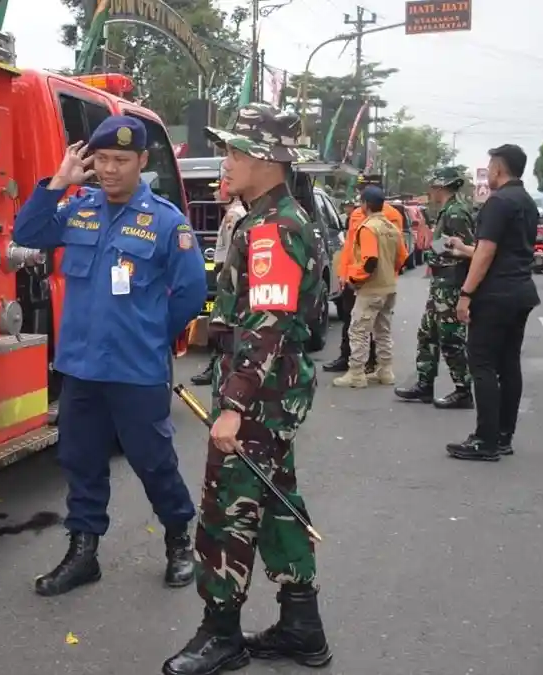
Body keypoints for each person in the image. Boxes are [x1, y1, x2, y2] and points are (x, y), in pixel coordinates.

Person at [164, 104, 331, 675]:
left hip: (257, 395)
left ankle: (221, 634)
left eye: (236, 151)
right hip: (272, 390)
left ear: (267, 158)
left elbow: (268, 325)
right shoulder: (270, 218)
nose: (227, 161)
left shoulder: (273, 229)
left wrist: (232, 405)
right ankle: (301, 626)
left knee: (227, 509)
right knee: (278, 503)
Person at [12, 116, 207, 596]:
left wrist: (149, 336)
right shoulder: (79, 209)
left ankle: (180, 539)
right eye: (101, 160)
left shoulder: (166, 221)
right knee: (81, 461)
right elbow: (28, 232)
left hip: (136, 371)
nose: (111, 169)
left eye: (121, 160)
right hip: (81, 367)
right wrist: (59, 183)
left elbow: (190, 292)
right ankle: (83, 552)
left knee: (152, 460)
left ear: (142, 161)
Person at [444, 144, 540, 461]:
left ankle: (484, 440)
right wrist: (462, 249)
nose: (489, 169)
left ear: (498, 168)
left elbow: (486, 253)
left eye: (490, 164)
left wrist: (466, 294)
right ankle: (502, 436)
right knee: (509, 364)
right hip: (520, 291)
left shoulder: (498, 202)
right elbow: (501, 250)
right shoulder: (526, 202)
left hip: (495, 295)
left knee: (482, 363)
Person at [395, 167, 476, 408]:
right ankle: (424, 385)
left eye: (433, 186)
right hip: (441, 282)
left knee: (450, 338)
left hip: (451, 283)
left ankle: (463, 390)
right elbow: (446, 245)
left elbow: (470, 250)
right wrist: (434, 247)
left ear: (441, 187)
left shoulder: (456, 213)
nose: (430, 191)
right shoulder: (447, 211)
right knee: (427, 334)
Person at [332, 186, 407, 388]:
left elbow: (369, 261)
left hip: (371, 288)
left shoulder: (367, 228)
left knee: (358, 331)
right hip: (389, 286)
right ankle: (385, 371)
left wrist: (354, 278)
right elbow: (402, 258)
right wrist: (389, 273)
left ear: (365, 204)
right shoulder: (391, 227)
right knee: (382, 331)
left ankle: (356, 373)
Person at [190, 169, 248, 387]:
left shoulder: (235, 214)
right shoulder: (232, 212)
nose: (216, 193)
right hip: (225, 272)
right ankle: (217, 366)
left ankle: (219, 368)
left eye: (220, 187)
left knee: (223, 325)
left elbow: (233, 248)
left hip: (228, 273)